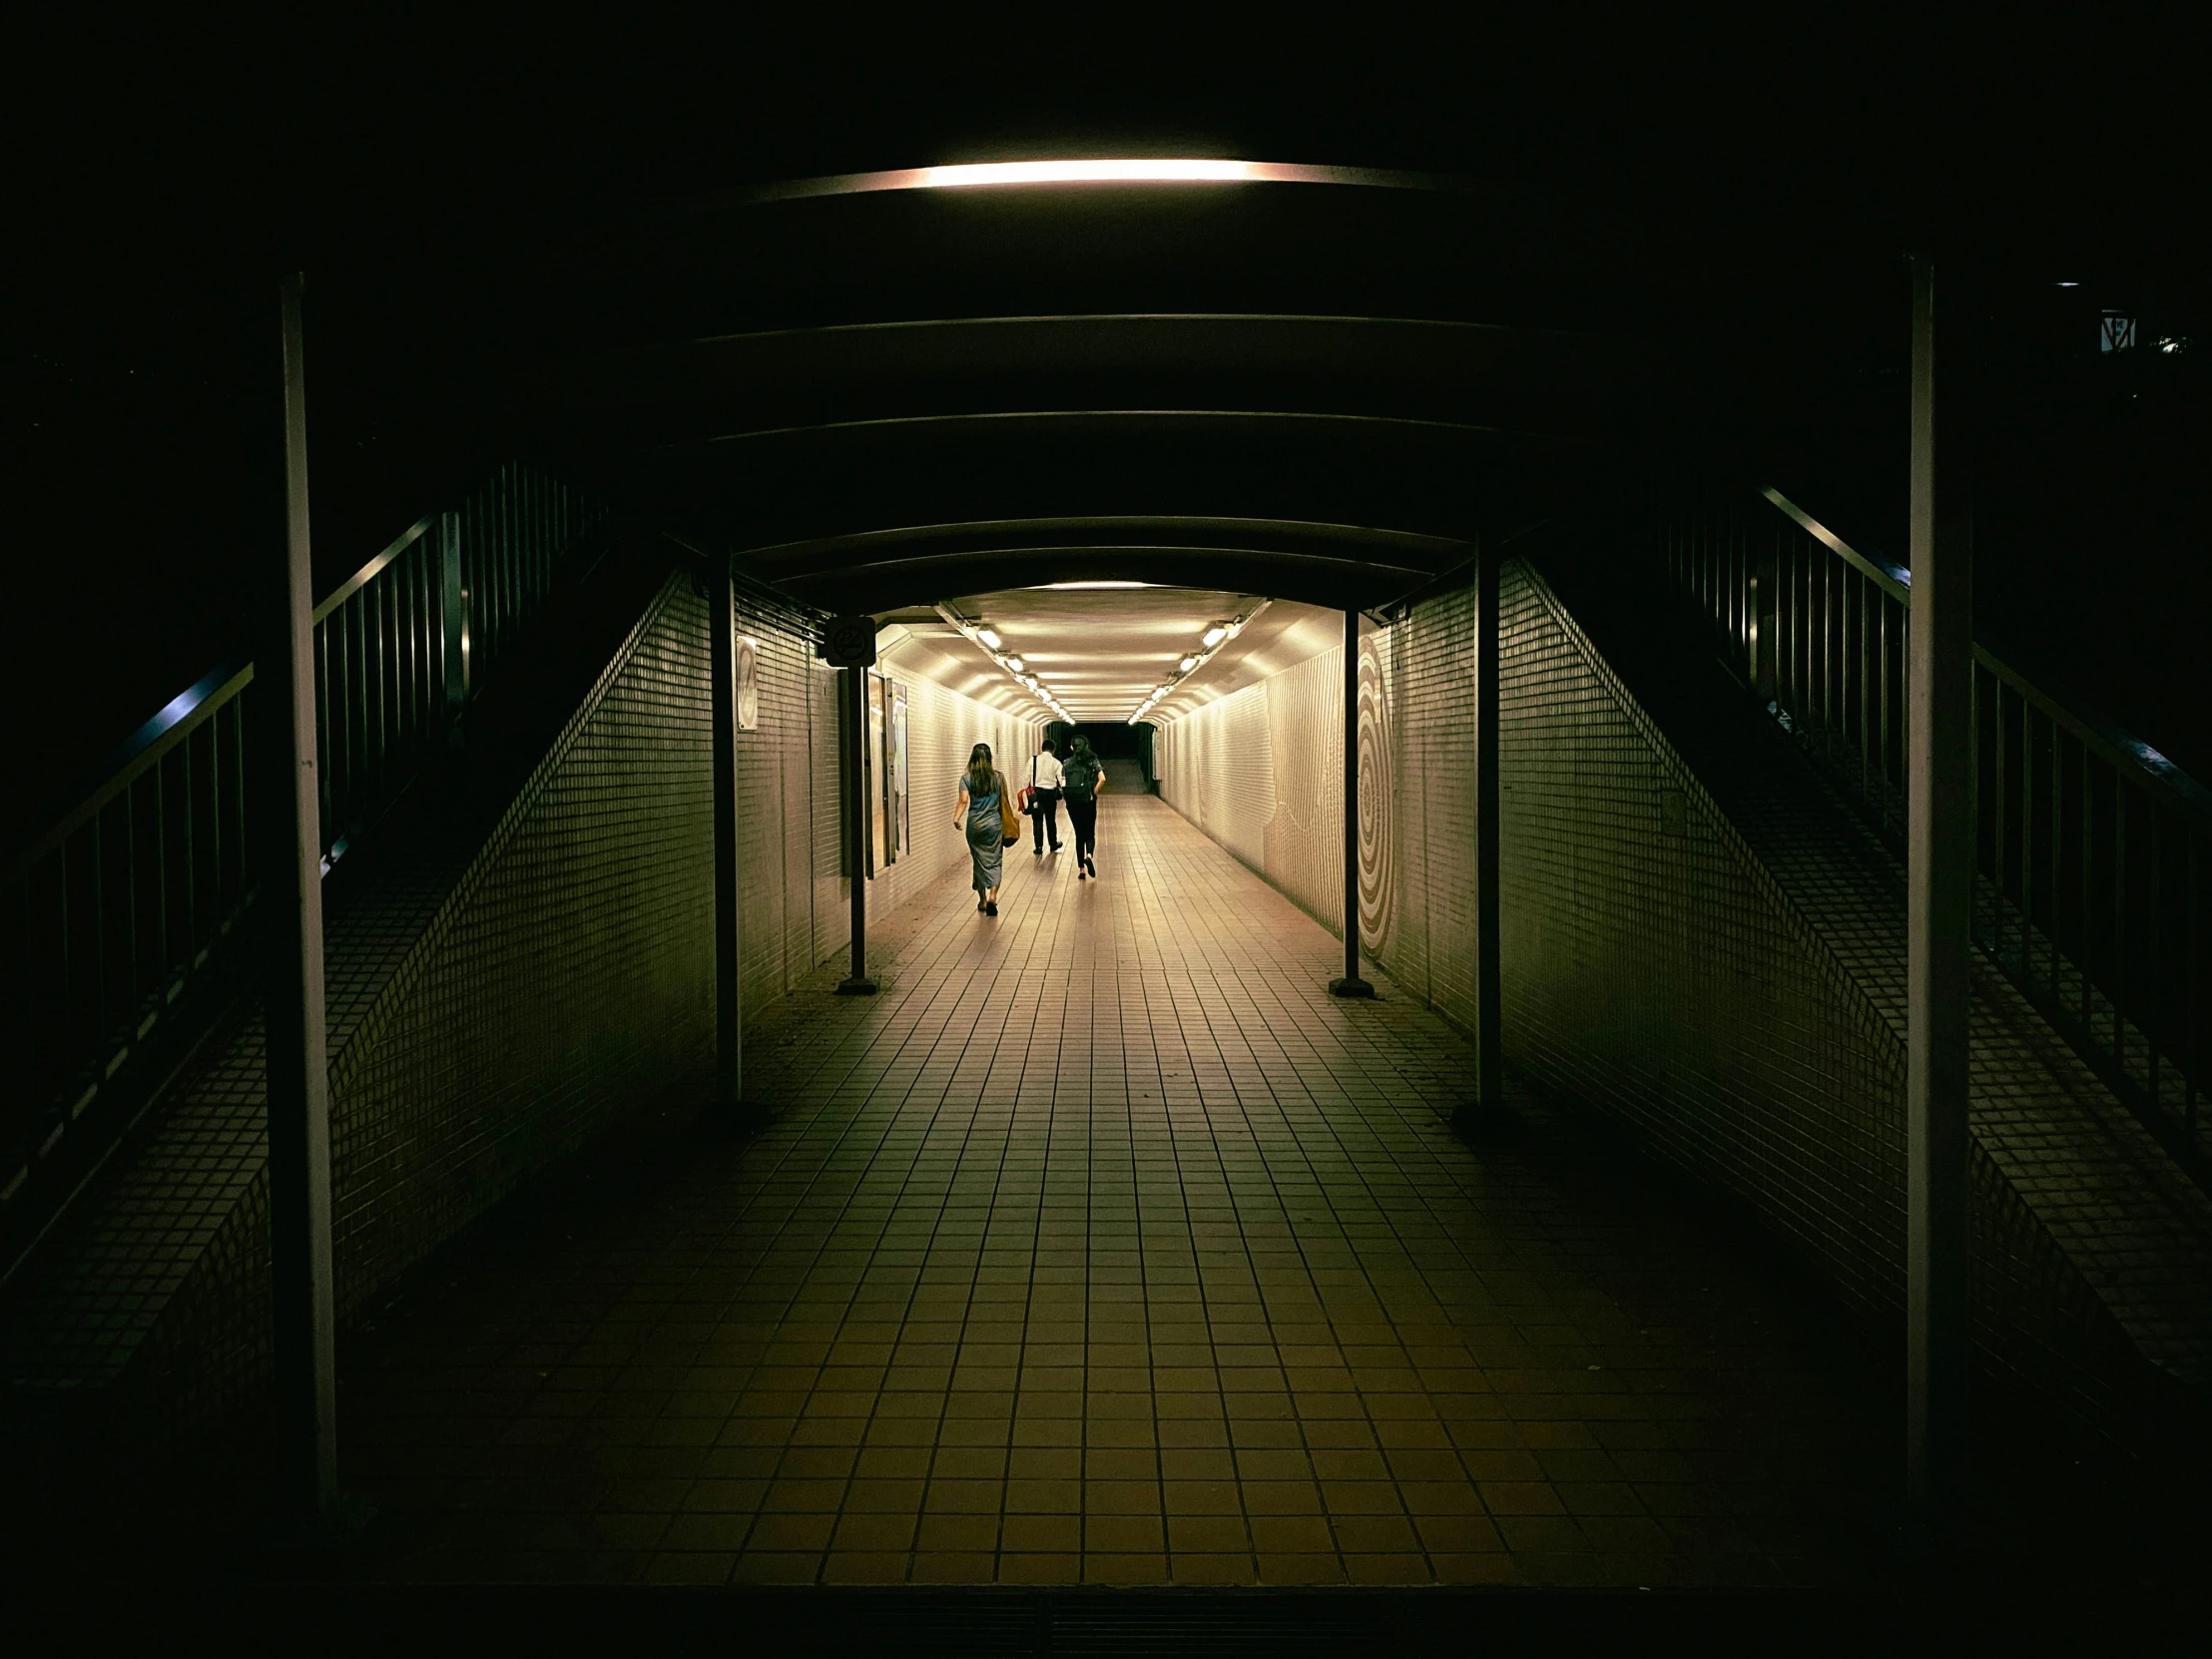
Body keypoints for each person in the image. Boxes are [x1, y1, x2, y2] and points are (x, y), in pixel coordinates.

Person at [953, 742, 1017, 915]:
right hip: (994, 825)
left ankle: (981, 900)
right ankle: (993, 897)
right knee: (995, 861)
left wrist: (956, 817)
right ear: (989, 758)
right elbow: (1004, 800)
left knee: (979, 862)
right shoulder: (998, 777)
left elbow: (964, 800)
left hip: (974, 825)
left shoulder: (966, 778)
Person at [1060, 735, 1106, 879]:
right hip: (1088, 802)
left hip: (1073, 803)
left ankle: (1081, 870)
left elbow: (1062, 784)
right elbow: (1102, 779)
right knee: (1089, 833)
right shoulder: (1092, 761)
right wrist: (1093, 792)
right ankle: (1089, 855)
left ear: (1072, 747)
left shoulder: (1066, 763)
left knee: (1079, 836)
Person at [1026, 736, 1065, 856]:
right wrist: (1063, 790)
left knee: (1037, 820)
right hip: (1050, 794)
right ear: (1053, 750)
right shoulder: (1056, 762)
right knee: (1050, 820)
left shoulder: (1032, 760)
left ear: (1041, 748)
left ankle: (1038, 847)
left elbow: (1026, 777)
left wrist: (1026, 793)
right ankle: (1053, 844)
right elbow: (1061, 779)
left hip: (1036, 793)